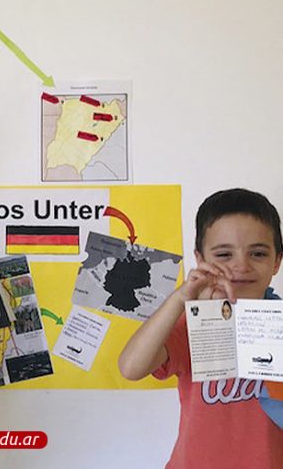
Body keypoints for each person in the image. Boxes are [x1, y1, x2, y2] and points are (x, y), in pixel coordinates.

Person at [118, 188, 283, 468]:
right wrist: (180, 299)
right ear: (201, 259)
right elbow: (131, 368)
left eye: (257, 253)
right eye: (224, 254)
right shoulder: (194, 322)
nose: (241, 265)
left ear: (276, 261)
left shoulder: (279, 325)